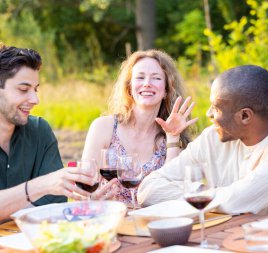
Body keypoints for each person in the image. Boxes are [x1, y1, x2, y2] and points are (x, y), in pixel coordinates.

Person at [0, 45, 100, 233]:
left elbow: (55, 201)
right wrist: (40, 187)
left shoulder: (40, 130)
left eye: (35, 89)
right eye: (24, 89)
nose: (35, 99)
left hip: (33, 242)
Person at [137, 65, 268, 215]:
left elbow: (239, 200)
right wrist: (202, 196)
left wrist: (200, 196)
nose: (208, 114)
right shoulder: (212, 137)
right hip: (225, 240)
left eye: (216, 108)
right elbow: (148, 189)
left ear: (245, 116)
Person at [82, 49, 198, 205]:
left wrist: (173, 137)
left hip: (155, 222)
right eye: (140, 77)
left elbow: (171, 191)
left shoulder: (173, 136)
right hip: (112, 220)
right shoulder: (103, 127)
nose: (147, 83)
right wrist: (92, 198)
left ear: (166, 90)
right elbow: (84, 189)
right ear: (129, 87)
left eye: (156, 78)